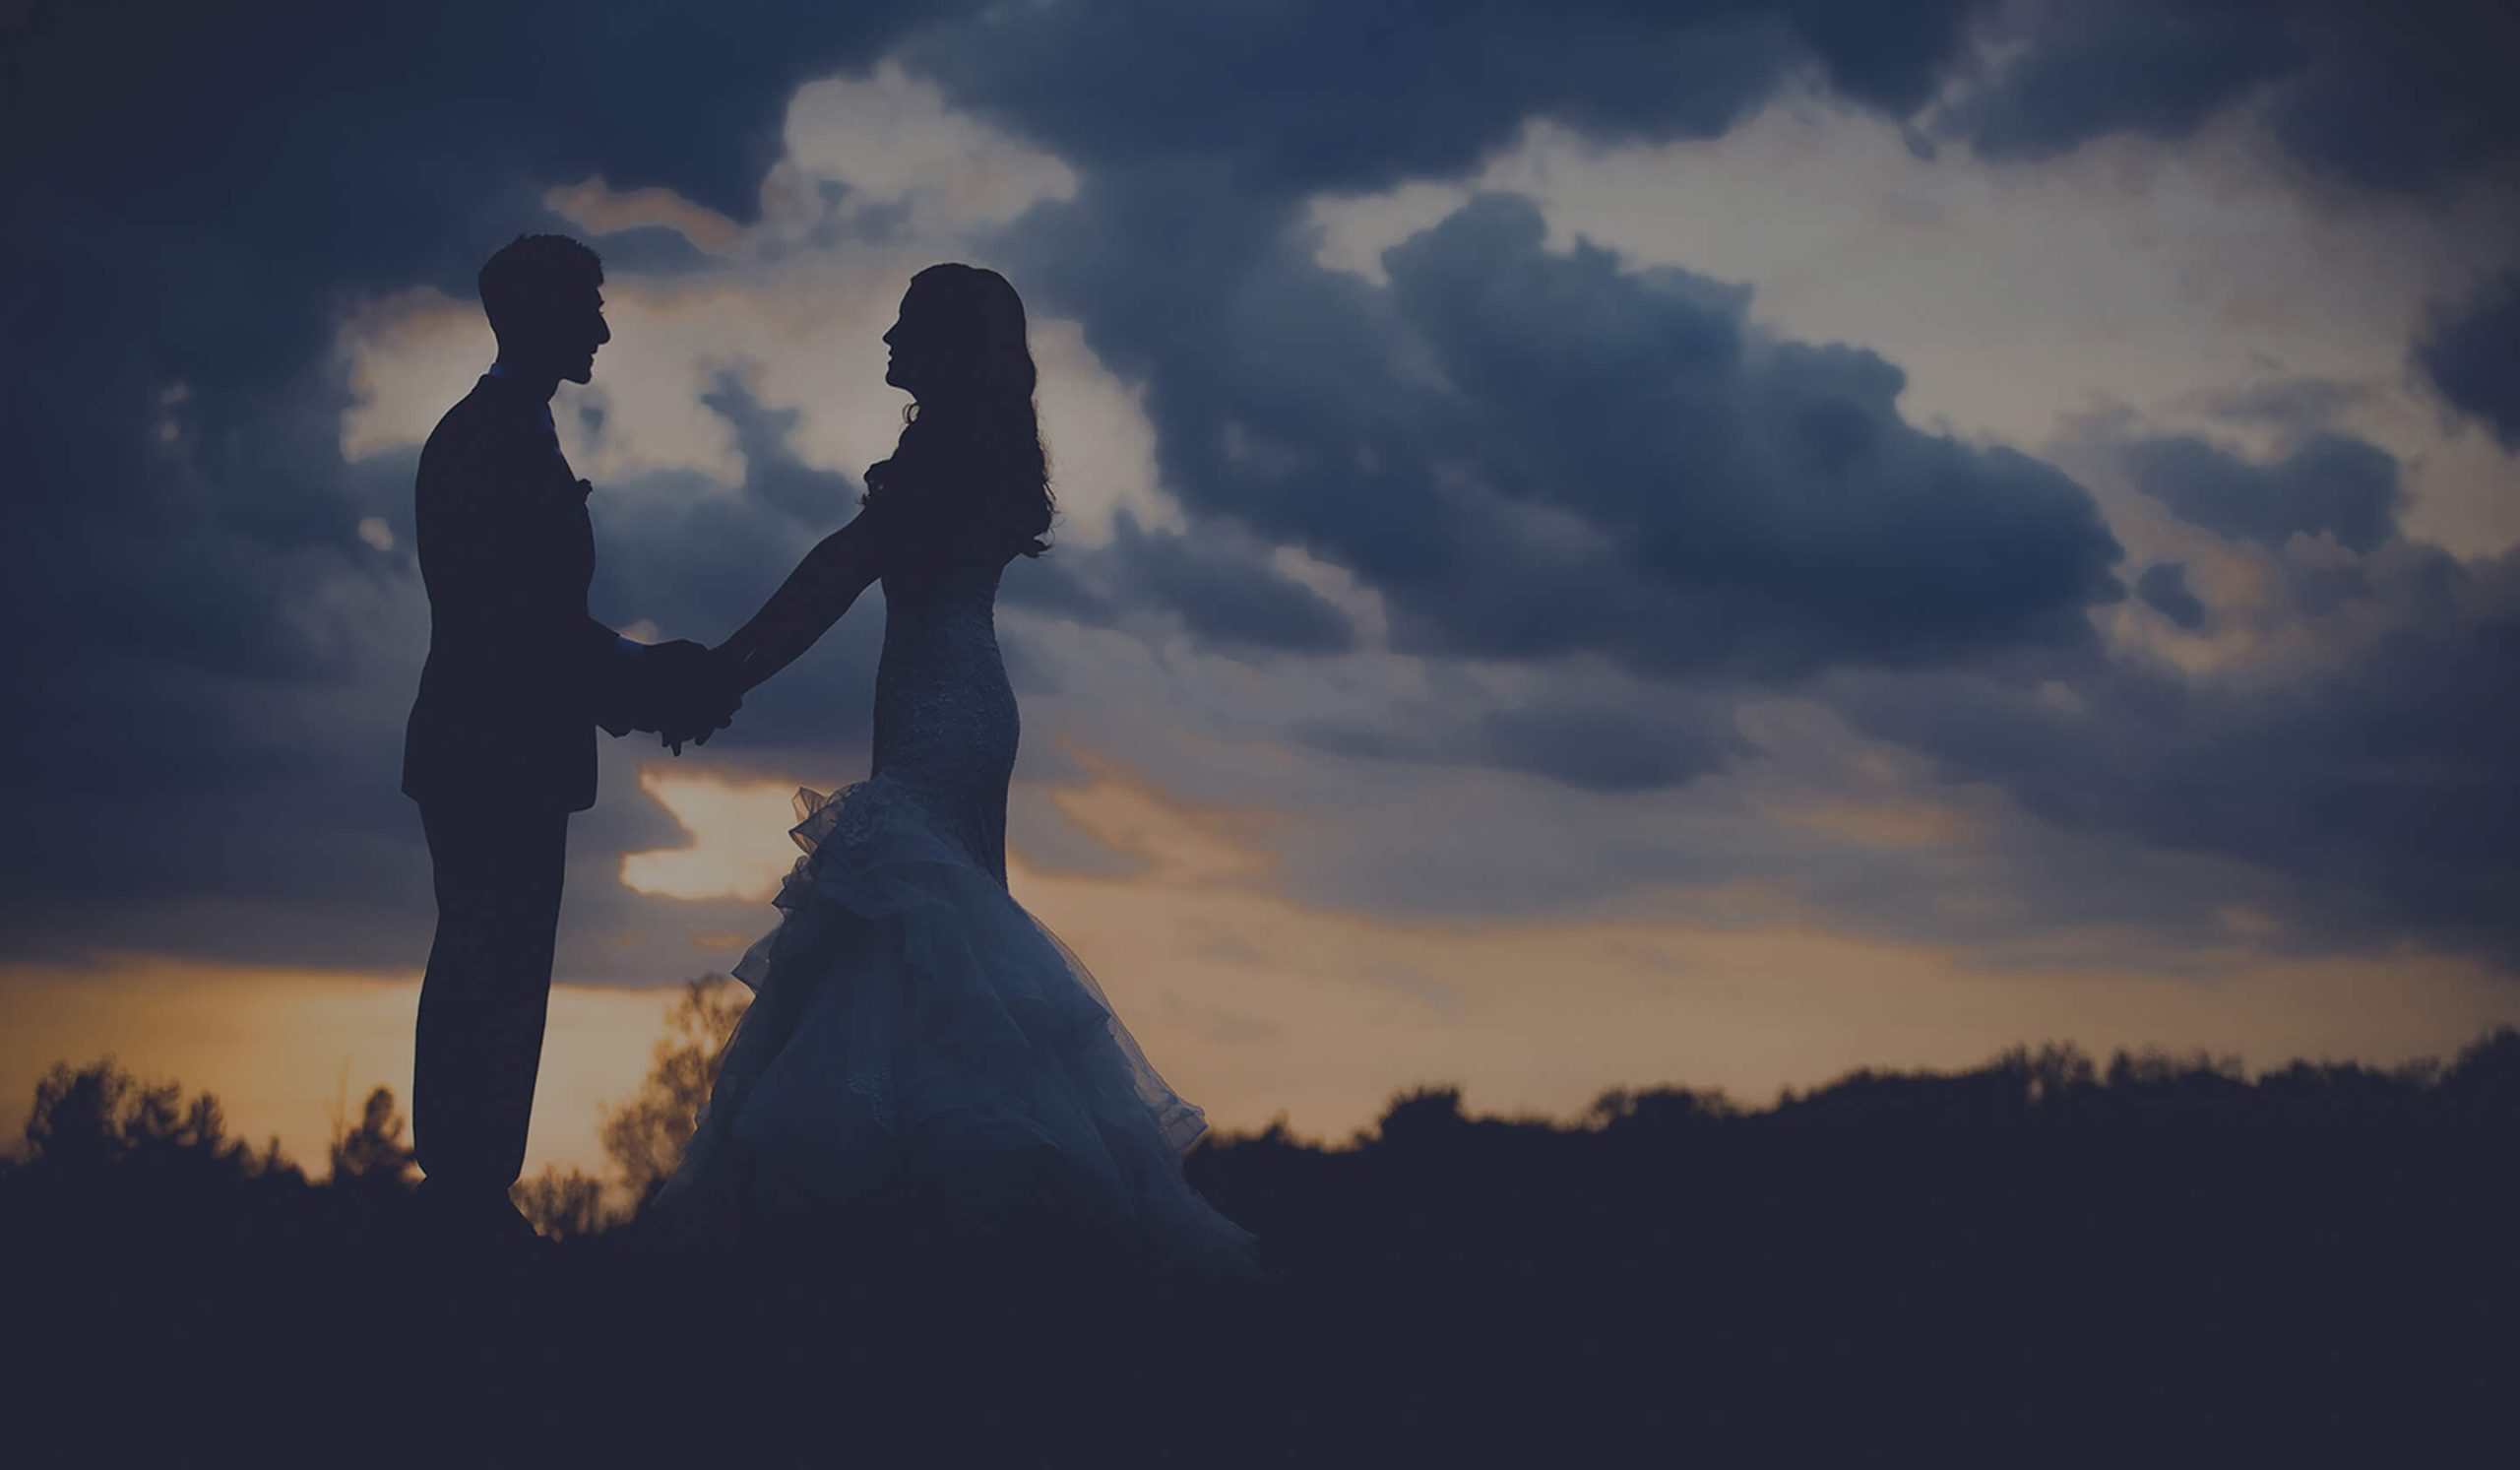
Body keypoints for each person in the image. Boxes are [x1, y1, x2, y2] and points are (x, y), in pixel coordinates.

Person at [651, 263, 1258, 1276]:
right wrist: (728, 672)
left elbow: (835, 573)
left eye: (904, 326)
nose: (886, 339)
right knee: (935, 932)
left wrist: (723, 672)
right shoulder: (972, 452)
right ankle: (943, 1214)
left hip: (940, 708)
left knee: (908, 918)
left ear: (941, 343)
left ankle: (909, 1216)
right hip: (968, 700)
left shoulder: (938, 458)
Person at [402, 233, 739, 1250]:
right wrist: (647, 678)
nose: (600, 326)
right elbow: (516, 622)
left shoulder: (506, 433)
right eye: (587, 306)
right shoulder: (487, 439)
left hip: (502, 746)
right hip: (490, 749)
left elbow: (532, 620)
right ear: (538, 313)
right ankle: (463, 1194)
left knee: (499, 964)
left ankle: (470, 1190)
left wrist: (641, 675)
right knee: (488, 963)